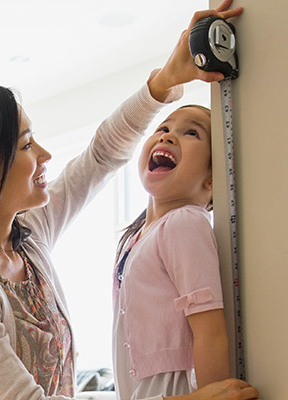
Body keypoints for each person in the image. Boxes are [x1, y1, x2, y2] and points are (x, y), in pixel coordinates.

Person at [0, 1, 254, 399]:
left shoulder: (27, 239)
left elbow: (101, 155)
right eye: (25, 145)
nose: (44, 154)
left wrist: (163, 82)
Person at [111, 103, 227, 400]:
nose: (168, 137)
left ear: (212, 180)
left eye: (191, 132)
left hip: (172, 388)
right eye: (163, 128)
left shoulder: (185, 222)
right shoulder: (134, 238)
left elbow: (209, 331)